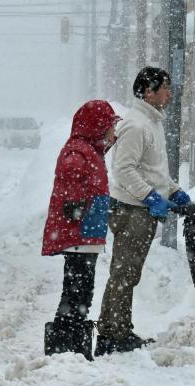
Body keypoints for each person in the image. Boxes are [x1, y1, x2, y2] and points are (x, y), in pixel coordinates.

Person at [94, 67, 191, 356]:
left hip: (141, 209)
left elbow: (153, 170)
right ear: (148, 92)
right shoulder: (137, 125)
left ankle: (115, 329)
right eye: (165, 88)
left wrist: (172, 190)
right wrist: (149, 196)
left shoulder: (152, 123)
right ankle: (113, 334)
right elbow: (123, 170)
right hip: (131, 209)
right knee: (124, 273)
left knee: (126, 272)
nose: (169, 93)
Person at [42, 100, 120, 361]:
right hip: (80, 234)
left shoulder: (90, 150)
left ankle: (71, 337)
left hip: (87, 234)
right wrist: (75, 208)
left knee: (82, 289)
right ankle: (67, 340)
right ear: (97, 126)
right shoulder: (78, 151)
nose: (113, 132)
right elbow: (71, 179)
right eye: (110, 126)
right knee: (77, 288)